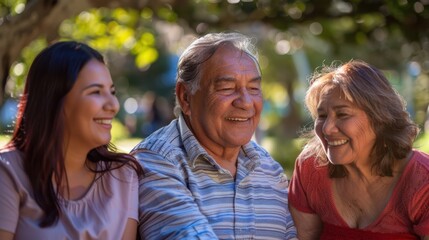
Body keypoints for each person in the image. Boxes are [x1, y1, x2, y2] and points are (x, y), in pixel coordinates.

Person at [131, 32, 297, 239]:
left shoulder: (268, 169)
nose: (246, 102)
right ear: (185, 97)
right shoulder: (157, 161)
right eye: (227, 88)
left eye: (254, 88)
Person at [0, 41, 143, 240]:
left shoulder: (123, 177)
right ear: (54, 101)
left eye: (112, 92)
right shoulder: (8, 172)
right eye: (95, 92)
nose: (113, 105)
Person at [288, 60, 429, 239]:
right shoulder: (311, 167)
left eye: (342, 114)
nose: (326, 128)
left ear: (379, 120)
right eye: (322, 116)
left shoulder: (423, 182)